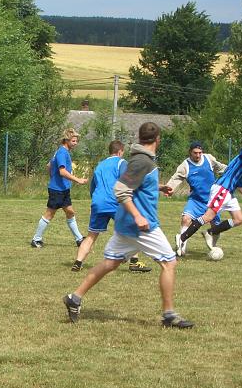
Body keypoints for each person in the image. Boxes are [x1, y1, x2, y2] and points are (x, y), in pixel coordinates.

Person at [63, 122, 194, 328]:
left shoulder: (139, 159)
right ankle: (169, 314)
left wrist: (159, 187)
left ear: (140, 138)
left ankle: (75, 298)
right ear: (158, 139)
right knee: (169, 263)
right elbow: (121, 189)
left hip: (126, 225)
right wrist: (138, 216)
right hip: (141, 226)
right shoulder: (142, 161)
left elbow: (136, 184)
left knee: (110, 263)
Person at [175, 142, 242, 254]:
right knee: (207, 217)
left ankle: (210, 232)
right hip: (222, 189)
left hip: (229, 193)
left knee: (239, 219)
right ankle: (182, 238)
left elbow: (240, 186)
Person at [70, 140, 152, 273]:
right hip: (115, 201)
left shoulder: (100, 165)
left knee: (91, 236)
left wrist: (96, 201)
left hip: (98, 202)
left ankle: (77, 263)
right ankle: (134, 263)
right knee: (134, 228)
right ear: (120, 152)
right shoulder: (121, 163)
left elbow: (93, 186)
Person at [165, 141, 227, 256]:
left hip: (212, 200)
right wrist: (169, 188)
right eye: (195, 153)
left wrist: (233, 170)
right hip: (196, 200)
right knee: (186, 219)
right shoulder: (185, 165)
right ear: (190, 152)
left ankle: (213, 247)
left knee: (216, 227)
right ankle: (181, 248)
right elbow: (176, 177)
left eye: (200, 152)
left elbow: (220, 167)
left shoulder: (209, 159)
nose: (198, 155)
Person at [30, 128, 88, 248]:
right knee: (49, 214)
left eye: (76, 141)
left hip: (63, 189)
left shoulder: (61, 151)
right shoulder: (62, 152)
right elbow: (62, 171)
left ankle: (79, 239)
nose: (76, 143)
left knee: (70, 212)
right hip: (57, 190)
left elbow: (49, 165)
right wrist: (78, 180)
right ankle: (36, 239)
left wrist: (52, 176)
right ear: (66, 140)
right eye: (73, 141)